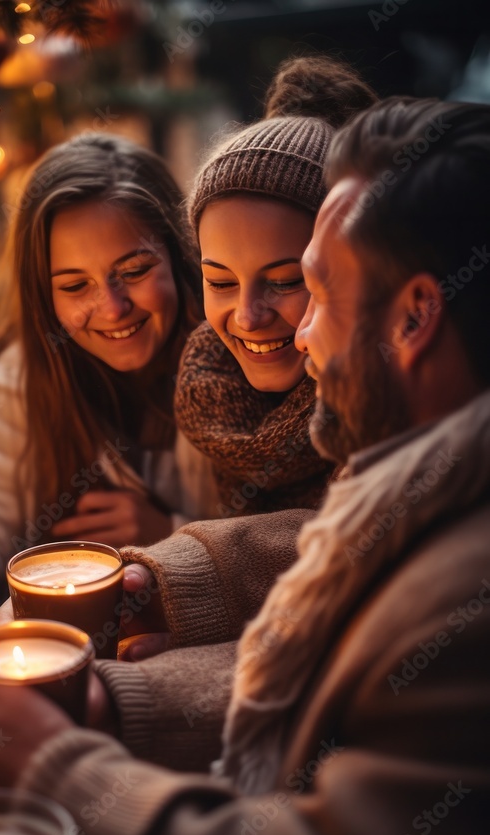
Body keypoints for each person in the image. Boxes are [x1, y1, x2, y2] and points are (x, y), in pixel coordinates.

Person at [0, 96, 490, 835]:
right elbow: (316, 568)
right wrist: (153, 604)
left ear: (416, 315)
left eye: (315, 291)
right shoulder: (427, 476)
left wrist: (57, 770)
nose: (290, 331)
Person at [0, 133, 205, 619]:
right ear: (43, 296)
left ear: (178, 254)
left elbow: (281, 540)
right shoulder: (30, 377)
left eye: (134, 270)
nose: (111, 307)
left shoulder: (238, 363)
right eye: (74, 285)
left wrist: (171, 532)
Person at [174, 56, 377, 516]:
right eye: (220, 282)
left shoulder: (392, 409)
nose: (248, 315)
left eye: (286, 280)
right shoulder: (201, 393)